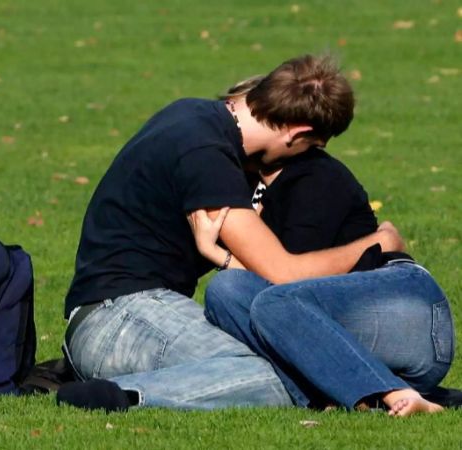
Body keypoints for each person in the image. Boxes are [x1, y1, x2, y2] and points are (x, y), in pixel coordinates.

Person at [57, 54, 404, 412]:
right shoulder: (206, 154)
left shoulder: (193, 115)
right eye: (312, 147)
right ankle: (125, 394)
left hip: (125, 314)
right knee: (280, 372)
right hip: (120, 319)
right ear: (298, 133)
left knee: (292, 358)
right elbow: (283, 273)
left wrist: (219, 253)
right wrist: (380, 243)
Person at [193, 135, 452, 415]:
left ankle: (392, 392)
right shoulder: (252, 185)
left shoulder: (316, 179)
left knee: (272, 301)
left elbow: (285, 286)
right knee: (225, 289)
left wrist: (219, 253)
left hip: (407, 310)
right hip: (337, 331)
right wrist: (214, 252)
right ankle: (342, 395)